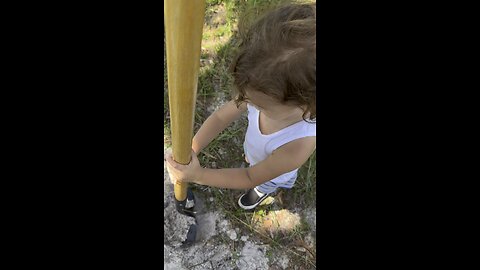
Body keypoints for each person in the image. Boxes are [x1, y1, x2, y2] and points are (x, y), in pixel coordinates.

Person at [166, 3, 316, 210]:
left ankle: (263, 192)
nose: (247, 102)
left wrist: (198, 175)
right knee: (255, 158)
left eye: (259, 105)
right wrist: (192, 149)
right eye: (248, 99)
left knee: (264, 180)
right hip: (258, 153)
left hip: (271, 174)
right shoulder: (265, 89)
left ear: (307, 105)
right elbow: (220, 117)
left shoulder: (298, 145)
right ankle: (254, 158)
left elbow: (248, 176)